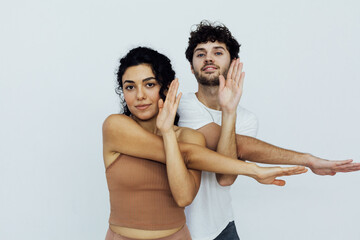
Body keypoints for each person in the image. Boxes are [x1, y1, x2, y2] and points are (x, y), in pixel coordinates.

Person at [178, 20, 360, 240]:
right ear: (191, 66)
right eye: (200, 54)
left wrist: (229, 112)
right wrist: (308, 159)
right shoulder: (179, 106)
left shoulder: (245, 118)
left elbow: (225, 178)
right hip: (178, 229)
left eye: (218, 52)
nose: (208, 58)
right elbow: (241, 147)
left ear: (233, 62)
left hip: (221, 229)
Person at [103, 47, 307, 240]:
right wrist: (253, 170)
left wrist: (167, 133)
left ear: (166, 88)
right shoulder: (115, 127)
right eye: (130, 87)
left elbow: (183, 198)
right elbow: (188, 155)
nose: (139, 95)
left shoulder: (191, 137)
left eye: (149, 84)